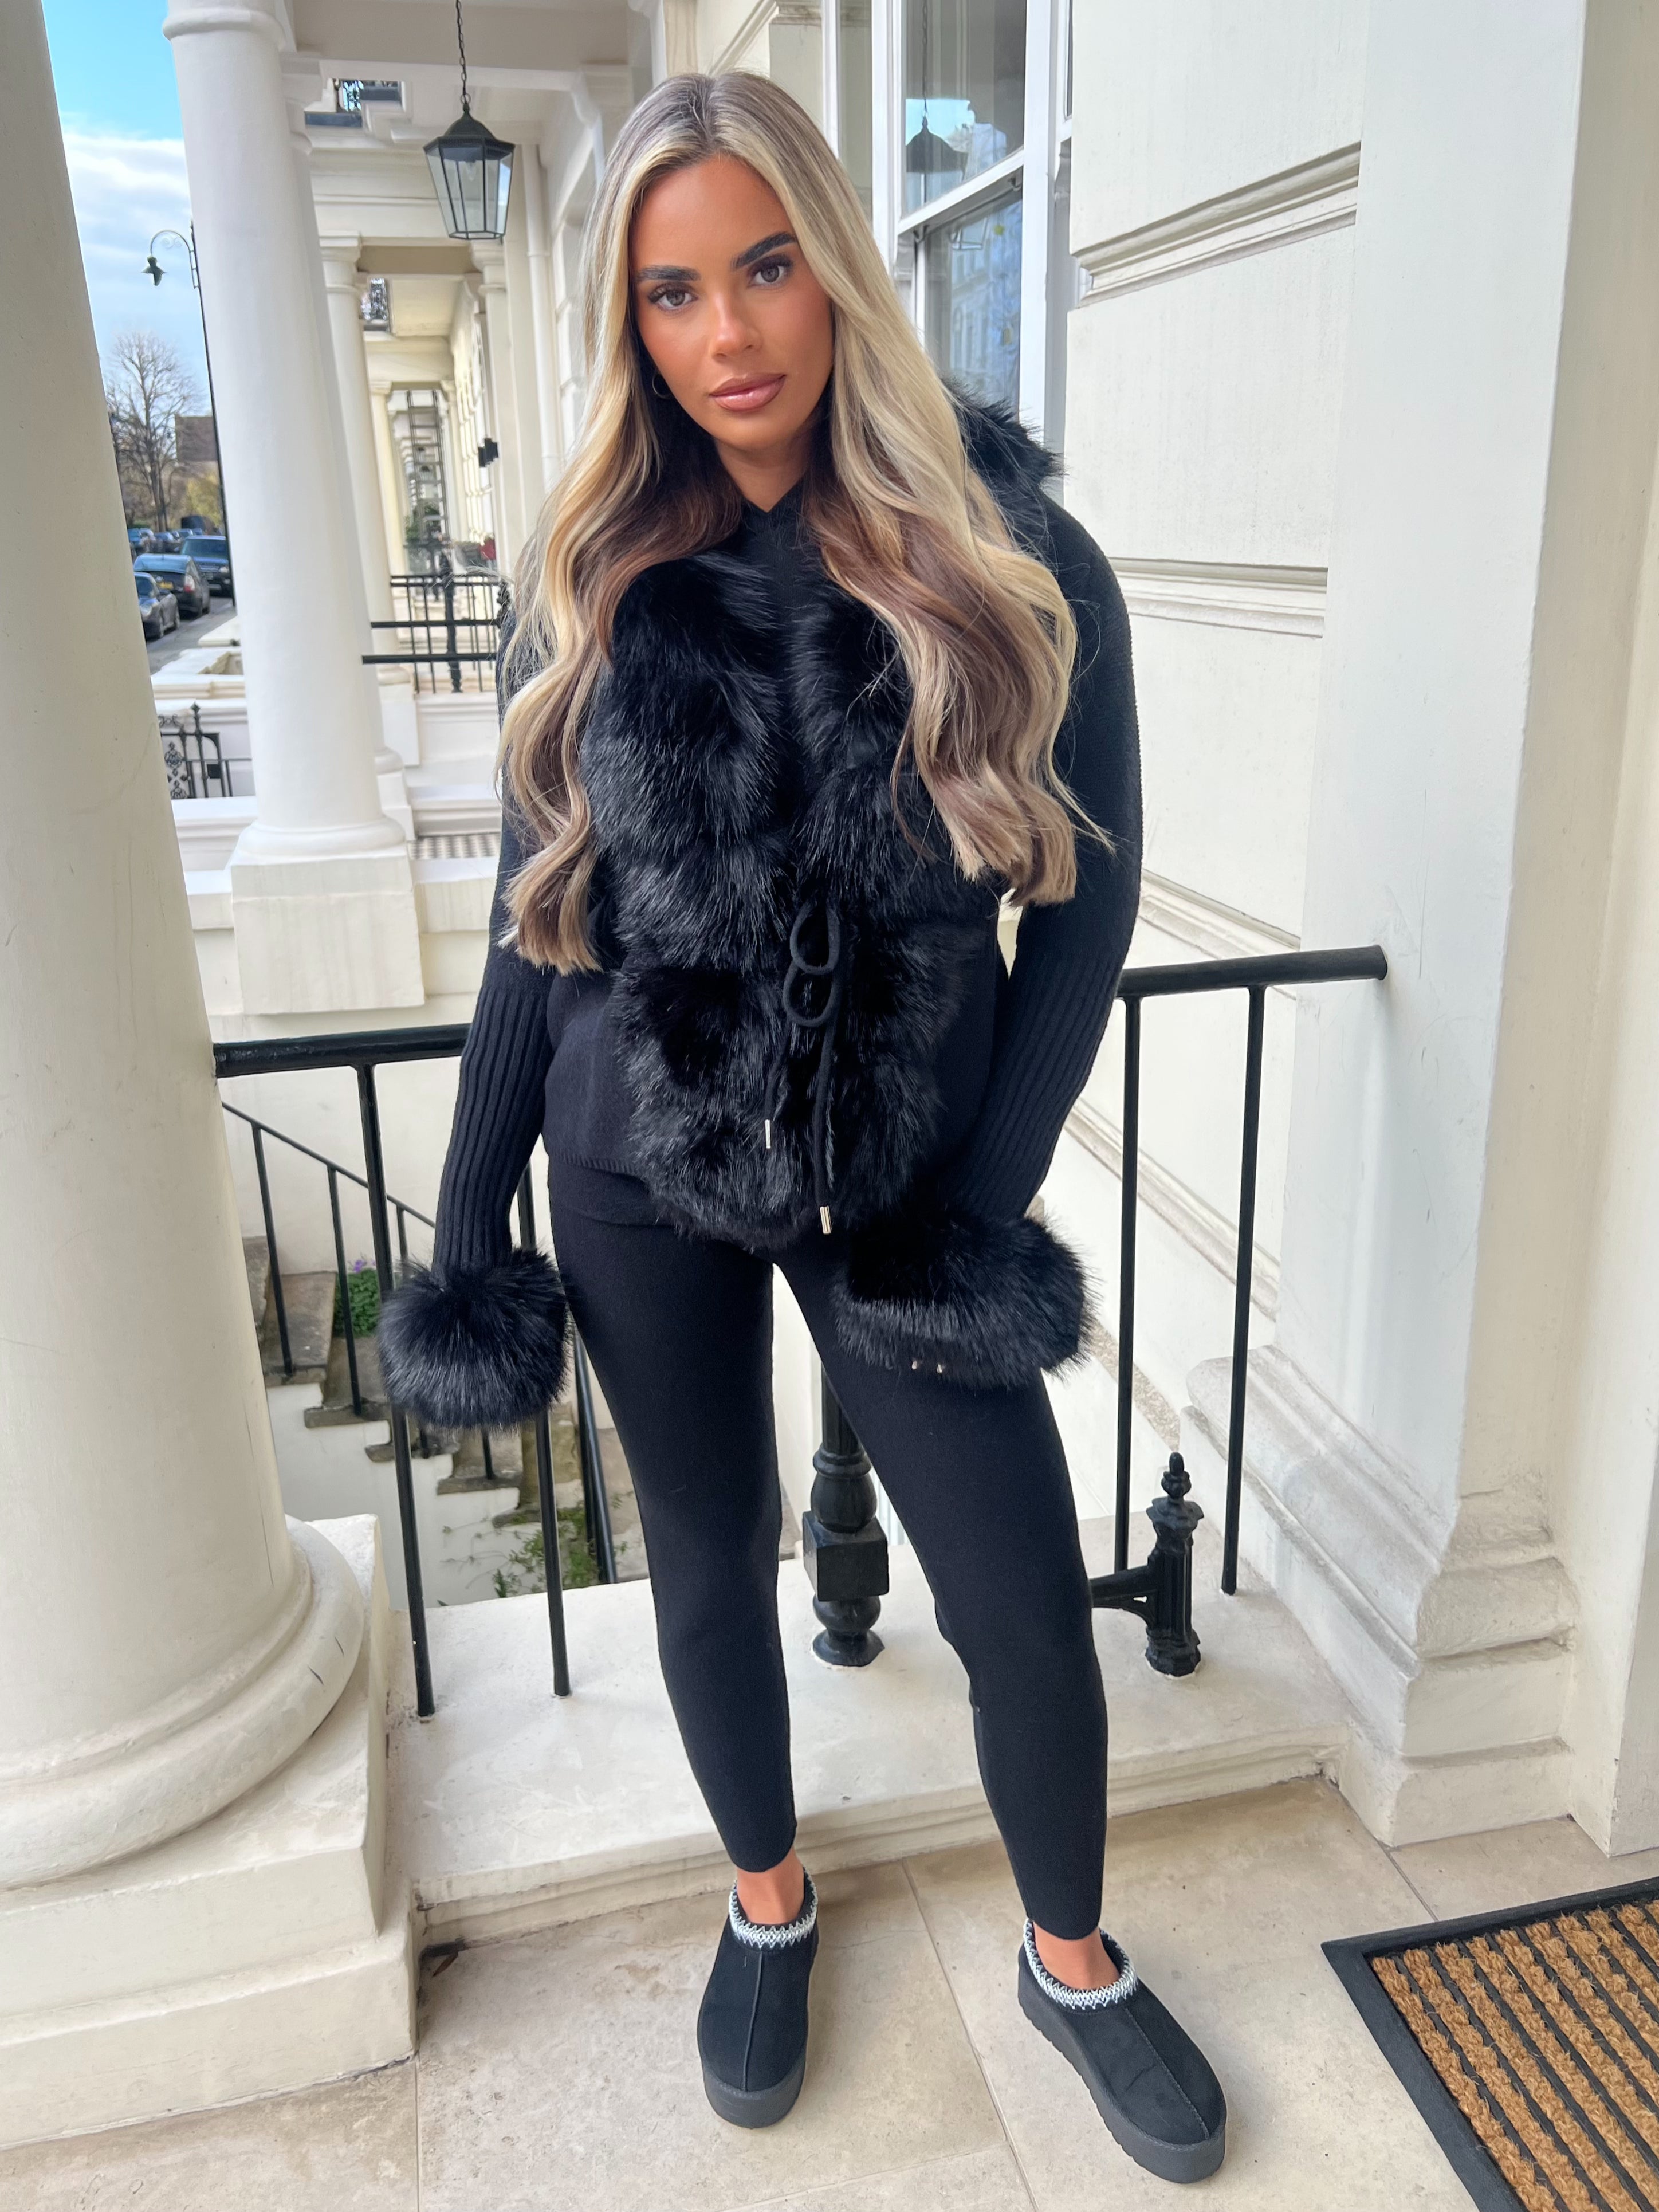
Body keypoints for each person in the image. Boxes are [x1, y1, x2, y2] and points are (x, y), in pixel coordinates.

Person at [380, 69, 1226, 2187]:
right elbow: (536, 921)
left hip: (901, 1170)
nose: (727, 333)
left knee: (1017, 1599)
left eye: (764, 268)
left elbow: (1090, 901)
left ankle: (1070, 1959)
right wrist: (470, 1218)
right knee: (703, 1559)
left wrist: (977, 1201)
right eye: (672, 293)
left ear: (838, 265)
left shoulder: (1011, 554)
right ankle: (767, 1902)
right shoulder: (593, 569)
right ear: (632, 322)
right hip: (633, 1155)